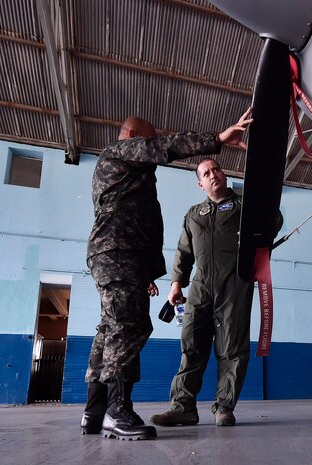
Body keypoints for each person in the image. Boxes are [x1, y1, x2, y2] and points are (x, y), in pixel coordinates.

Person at [80, 109, 253, 440]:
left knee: (108, 328)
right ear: (133, 137)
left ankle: (94, 410)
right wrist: (216, 139)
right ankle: (117, 412)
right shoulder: (120, 151)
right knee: (127, 325)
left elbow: (134, 218)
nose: (152, 145)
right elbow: (167, 147)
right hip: (118, 253)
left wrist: (146, 270)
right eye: (148, 138)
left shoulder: (128, 172)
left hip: (119, 256)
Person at [149, 158, 282, 428]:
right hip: (200, 286)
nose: (213, 175)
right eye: (206, 173)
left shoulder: (245, 204)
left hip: (235, 283)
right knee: (191, 346)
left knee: (232, 348)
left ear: (223, 173)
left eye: (216, 169)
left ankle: (224, 408)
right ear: (201, 184)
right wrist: (176, 283)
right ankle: (182, 407)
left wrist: (258, 230)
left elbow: (275, 218)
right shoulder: (194, 214)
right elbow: (183, 251)